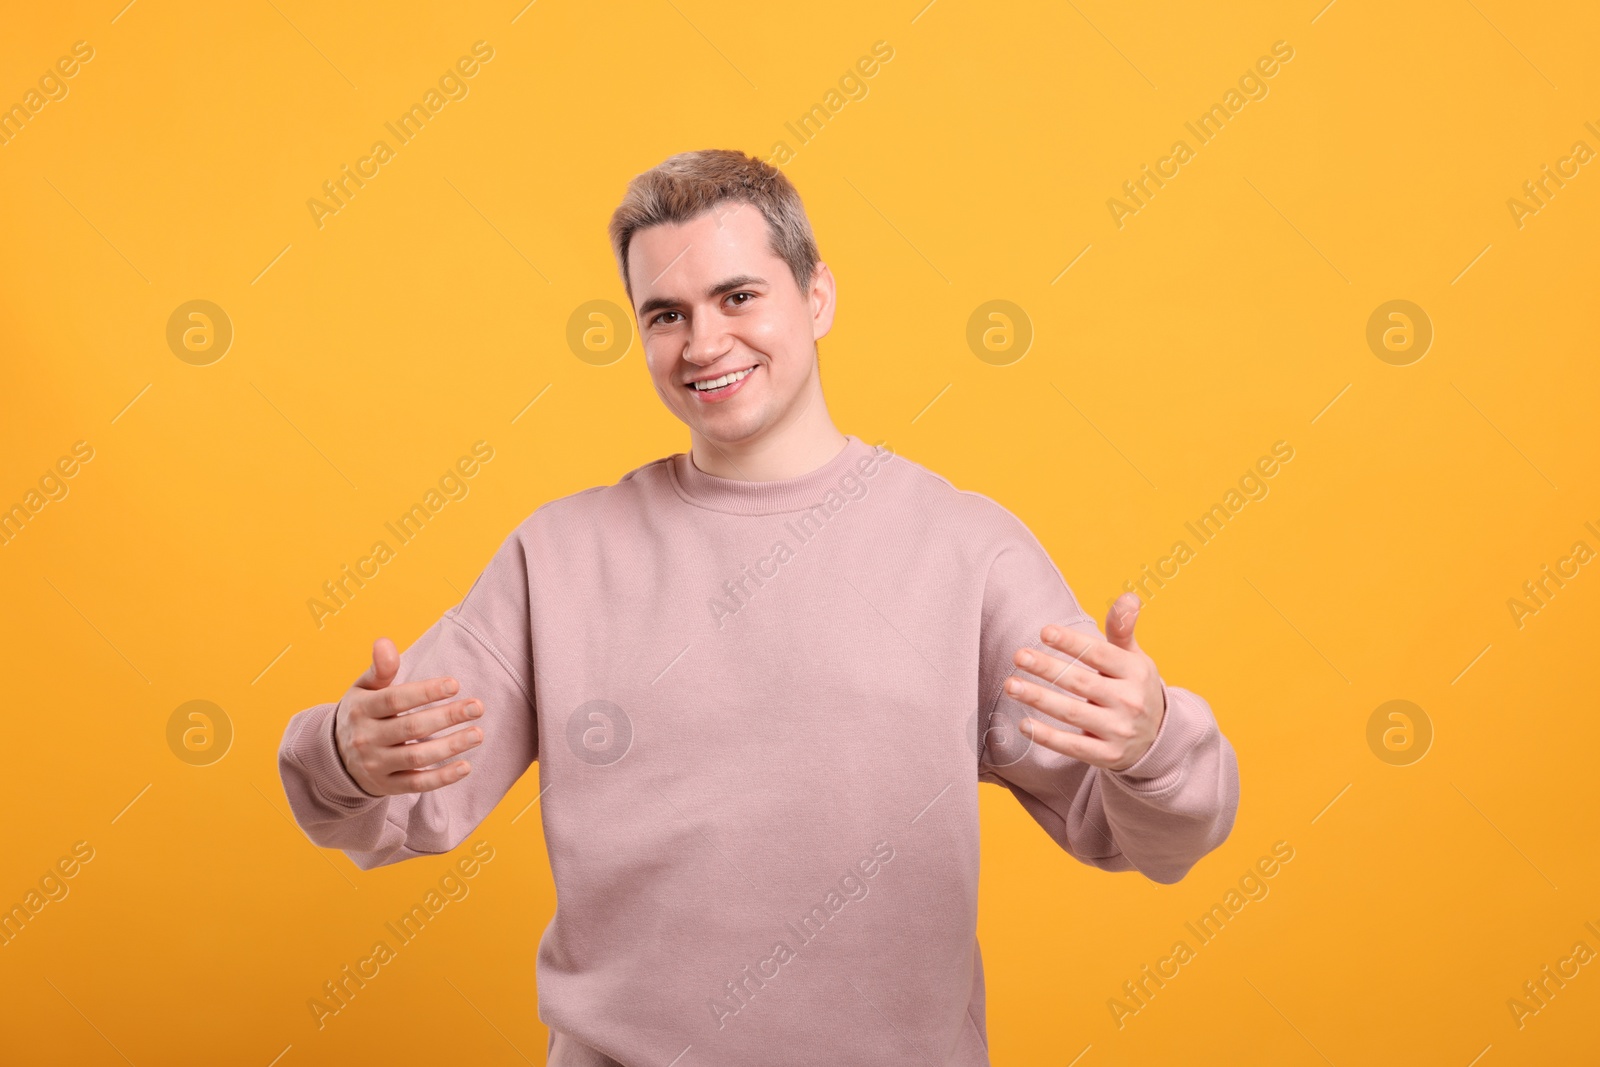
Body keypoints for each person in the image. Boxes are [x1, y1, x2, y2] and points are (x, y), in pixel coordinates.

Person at [278, 148, 1240, 1066]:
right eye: (665, 314)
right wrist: (347, 755)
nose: (704, 344)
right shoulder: (558, 556)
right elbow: (406, 803)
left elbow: (1145, 833)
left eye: (738, 296)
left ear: (817, 296)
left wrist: (1153, 738)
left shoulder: (966, 548)